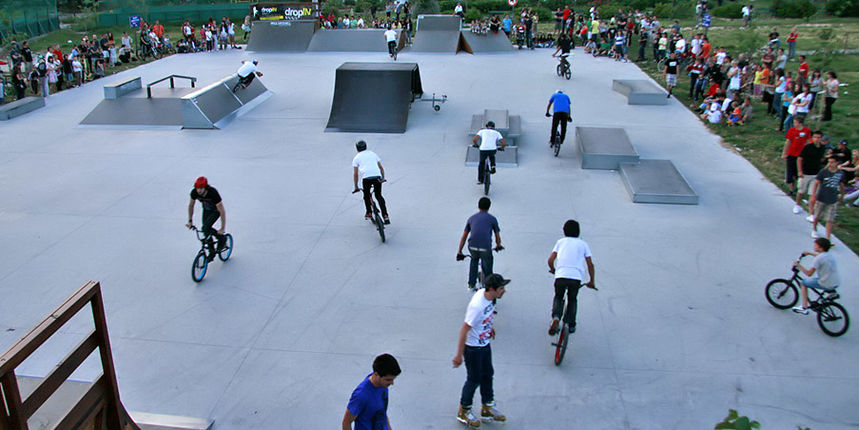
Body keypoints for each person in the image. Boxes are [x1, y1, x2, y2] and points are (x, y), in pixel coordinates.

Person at [452, 273, 509, 428]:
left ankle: (487, 406)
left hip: (484, 344)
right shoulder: (477, 306)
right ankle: (464, 410)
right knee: (474, 379)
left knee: (487, 374)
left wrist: (489, 328)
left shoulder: (490, 298)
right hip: (473, 349)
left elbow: (487, 315)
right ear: (492, 289)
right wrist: (458, 355)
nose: (504, 291)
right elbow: (464, 329)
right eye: (501, 288)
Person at [547, 220, 595, 335]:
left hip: (561, 275)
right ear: (578, 231)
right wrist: (592, 281)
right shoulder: (583, 244)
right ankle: (571, 324)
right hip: (575, 277)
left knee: (559, 296)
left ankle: (556, 317)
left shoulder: (560, 242)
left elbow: (550, 260)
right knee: (572, 299)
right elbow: (590, 264)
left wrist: (553, 269)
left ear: (564, 231)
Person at [342, 353, 401, 430]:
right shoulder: (361, 395)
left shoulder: (383, 384)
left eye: (393, 379)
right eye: (388, 380)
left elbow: (381, 411)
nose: (392, 383)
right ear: (376, 374)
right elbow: (346, 422)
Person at [457, 197, 503, 290]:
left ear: (478, 206)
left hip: (472, 247)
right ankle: (489, 286)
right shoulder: (492, 219)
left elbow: (464, 236)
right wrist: (498, 246)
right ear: (489, 207)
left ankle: (471, 284)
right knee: (488, 266)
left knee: (474, 260)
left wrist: (460, 251)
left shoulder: (471, 218)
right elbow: (497, 236)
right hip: (485, 248)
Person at [792, 238, 839, 314]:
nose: (814, 246)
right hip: (835, 282)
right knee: (821, 278)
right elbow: (820, 256)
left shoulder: (818, 259)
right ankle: (831, 292)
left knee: (803, 283)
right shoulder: (829, 255)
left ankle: (804, 307)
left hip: (825, 282)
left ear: (820, 248)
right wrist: (810, 253)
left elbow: (809, 274)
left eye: (815, 245)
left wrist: (798, 265)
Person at [185, 176, 227, 258]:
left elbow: (222, 211)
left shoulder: (213, 193)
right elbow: (191, 206)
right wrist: (190, 221)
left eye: (201, 188)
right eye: (197, 188)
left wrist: (222, 228)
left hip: (216, 211)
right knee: (205, 231)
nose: (199, 190)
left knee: (206, 227)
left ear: (206, 188)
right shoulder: (194, 192)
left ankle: (222, 239)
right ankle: (212, 252)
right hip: (206, 210)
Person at [809, 155, 847, 240]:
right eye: (829, 162)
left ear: (837, 163)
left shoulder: (840, 174)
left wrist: (842, 195)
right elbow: (816, 183)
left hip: (833, 199)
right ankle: (814, 229)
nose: (830, 164)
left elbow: (841, 185)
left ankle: (828, 237)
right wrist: (813, 195)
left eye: (832, 162)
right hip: (821, 197)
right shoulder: (823, 172)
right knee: (817, 215)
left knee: (830, 219)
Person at [352, 140, 390, 224]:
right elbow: (381, 167)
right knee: (378, 195)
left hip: (367, 179)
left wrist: (356, 186)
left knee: (366, 195)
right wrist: (383, 178)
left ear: (357, 149)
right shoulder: (373, 154)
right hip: (377, 177)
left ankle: (369, 212)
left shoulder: (356, 158)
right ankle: (385, 216)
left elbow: (355, 174)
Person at [795, 130, 824, 215]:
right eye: (815, 137)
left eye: (818, 137)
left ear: (821, 138)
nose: (817, 139)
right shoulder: (807, 147)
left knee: (813, 194)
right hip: (805, 173)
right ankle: (797, 204)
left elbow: (821, 159)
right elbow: (800, 159)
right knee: (801, 191)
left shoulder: (822, 148)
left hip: (816, 174)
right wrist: (800, 171)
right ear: (812, 138)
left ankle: (811, 213)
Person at [783, 116, 811, 200]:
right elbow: (788, 142)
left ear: (799, 123)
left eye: (795, 122)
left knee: (798, 172)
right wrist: (785, 152)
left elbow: (808, 142)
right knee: (790, 171)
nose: (794, 124)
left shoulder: (807, 131)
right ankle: (791, 189)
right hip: (792, 153)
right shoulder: (792, 130)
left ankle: (799, 188)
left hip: (801, 155)